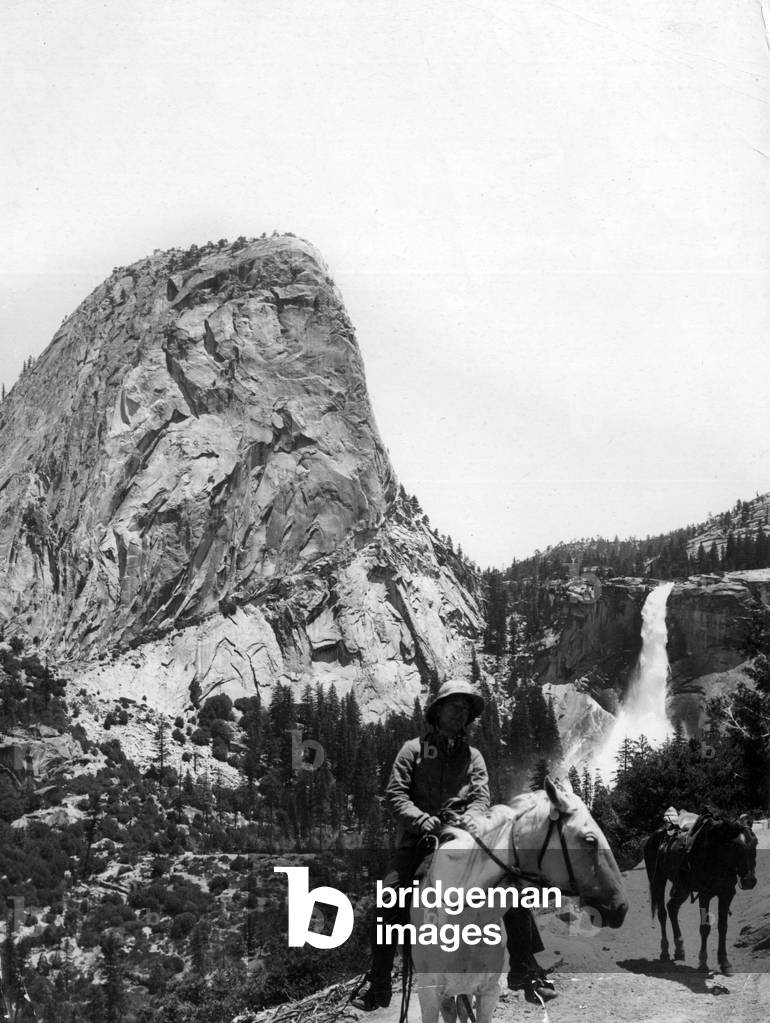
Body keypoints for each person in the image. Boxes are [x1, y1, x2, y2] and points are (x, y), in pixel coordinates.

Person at [356, 678, 556, 1010]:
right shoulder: (413, 750)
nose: (460, 715)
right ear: (437, 711)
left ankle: (525, 968)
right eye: (454, 707)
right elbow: (395, 795)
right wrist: (422, 820)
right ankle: (377, 982)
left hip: (464, 837)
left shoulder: (473, 756)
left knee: (509, 886)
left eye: (465, 710)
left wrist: (471, 820)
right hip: (419, 839)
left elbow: (481, 797)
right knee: (390, 896)